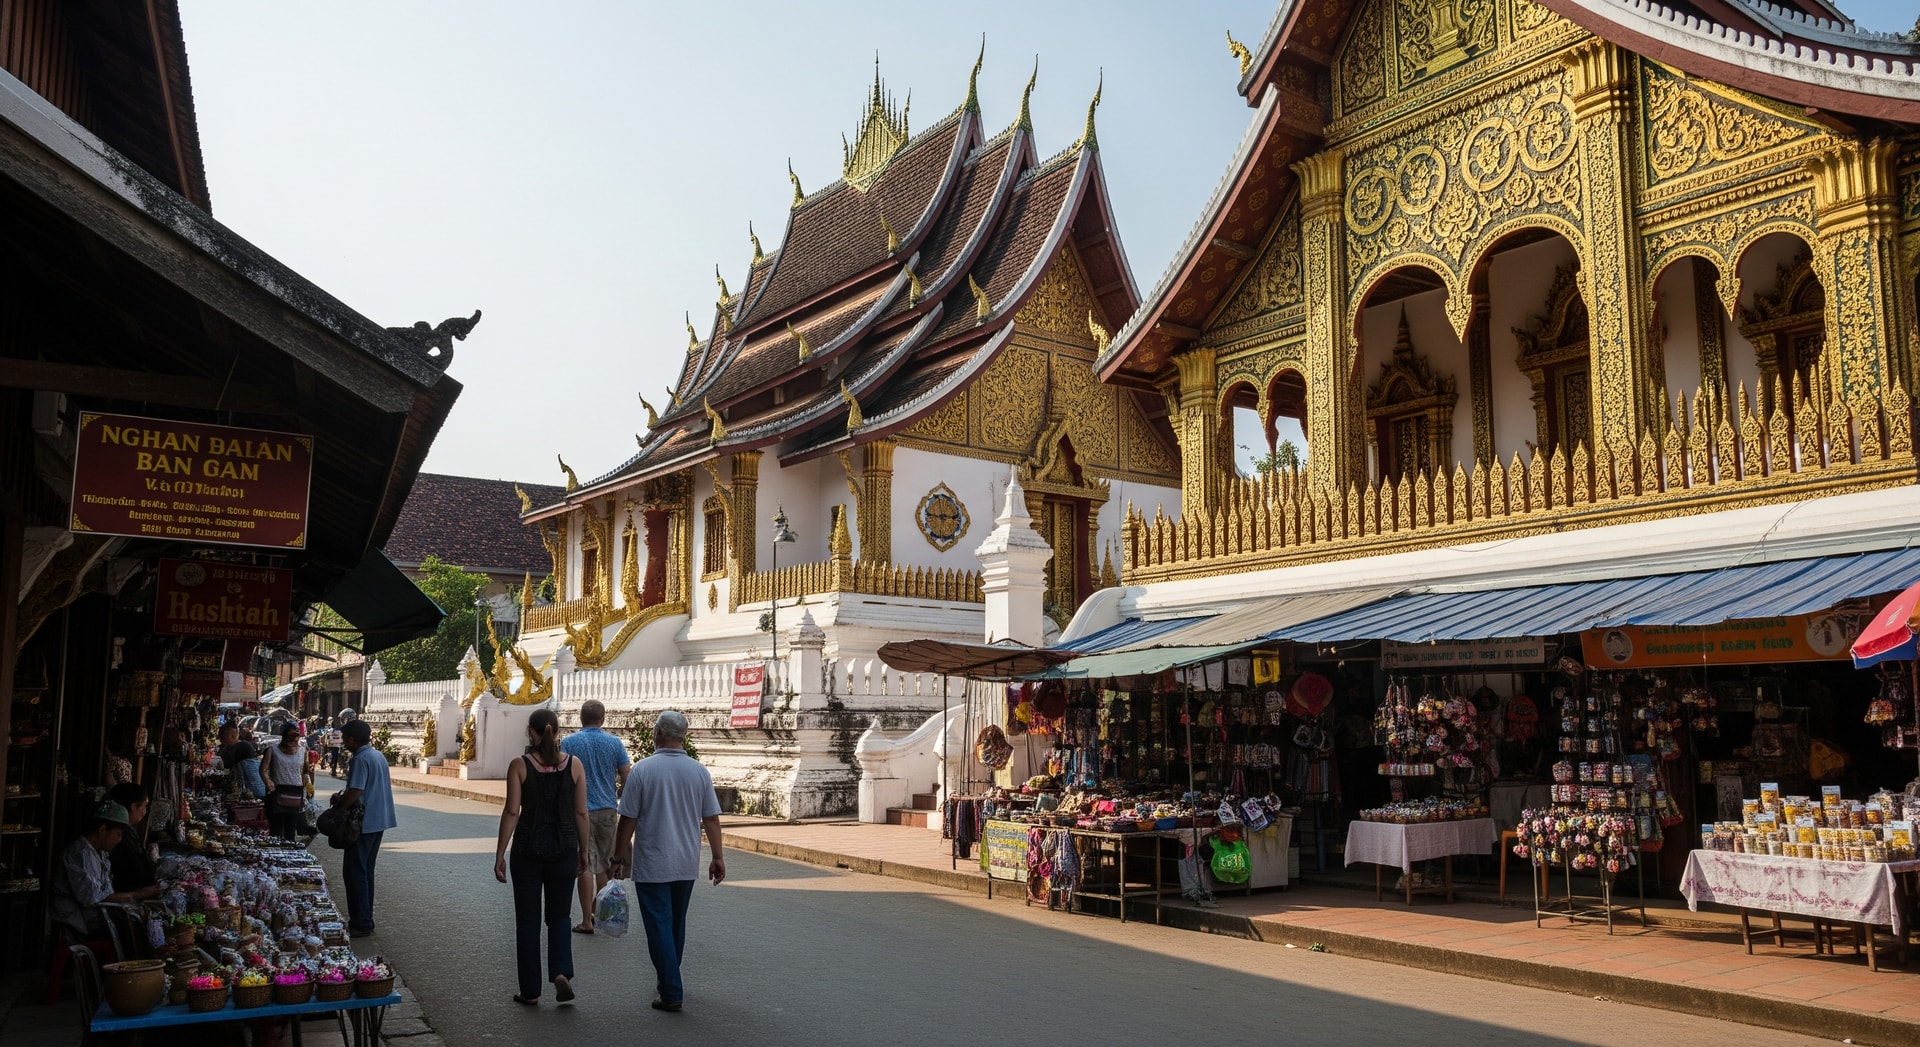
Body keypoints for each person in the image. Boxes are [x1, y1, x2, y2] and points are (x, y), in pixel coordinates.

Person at [610, 710, 724, 1013]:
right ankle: (668, 978)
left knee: (659, 925)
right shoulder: (698, 771)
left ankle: (671, 989)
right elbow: (710, 818)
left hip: (653, 862)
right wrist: (718, 856)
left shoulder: (643, 771)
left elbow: (628, 820)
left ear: (658, 733)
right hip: (686, 861)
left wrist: (617, 856)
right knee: (674, 923)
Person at [494, 708, 591, 1006]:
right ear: (557, 731)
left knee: (528, 920)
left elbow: (512, 811)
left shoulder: (520, 765)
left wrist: (500, 854)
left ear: (529, 732)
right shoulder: (574, 765)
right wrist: (584, 850)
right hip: (564, 850)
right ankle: (561, 972)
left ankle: (530, 991)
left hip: (527, 850)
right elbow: (580, 812)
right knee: (560, 916)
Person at [559, 699, 629, 934]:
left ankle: (587, 921)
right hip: (608, 810)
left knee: (585, 865)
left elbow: (562, 776)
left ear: (581, 718)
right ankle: (603, 917)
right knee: (607, 866)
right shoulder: (614, 743)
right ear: (603, 719)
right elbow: (627, 776)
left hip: (580, 812)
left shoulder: (568, 743)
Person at [332, 718, 395, 936]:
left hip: (362, 824)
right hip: (378, 821)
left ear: (352, 739)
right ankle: (365, 918)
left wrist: (339, 809)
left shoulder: (360, 759)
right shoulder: (377, 755)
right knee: (366, 871)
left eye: (345, 739)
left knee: (354, 872)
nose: (344, 744)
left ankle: (361, 922)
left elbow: (356, 791)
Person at [49, 802, 142, 943]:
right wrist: (135, 895)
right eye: (118, 834)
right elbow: (93, 897)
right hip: (76, 923)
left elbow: (107, 892)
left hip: (93, 918)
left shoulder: (102, 854)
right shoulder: (79, 853)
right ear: (103, 830)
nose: (119, 840)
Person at [103, 783, 162, 902]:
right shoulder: (121, 838)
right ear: (133, 806)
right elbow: (130, 873)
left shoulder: (128, 832)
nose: (145, 811)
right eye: (145, 806)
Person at [264, 724, 313, 841]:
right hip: (277, 793)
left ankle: (290, 853)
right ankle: (274, 855)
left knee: (290, 830)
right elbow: (263, 769)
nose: (294, 741)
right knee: (276, 829)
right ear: (284, 736)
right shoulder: (272, 750)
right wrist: (268, 782)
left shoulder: (302, 751)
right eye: (291, 737)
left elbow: (305, 772)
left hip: (295, 794)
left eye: (297, 737)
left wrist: (309, 786)